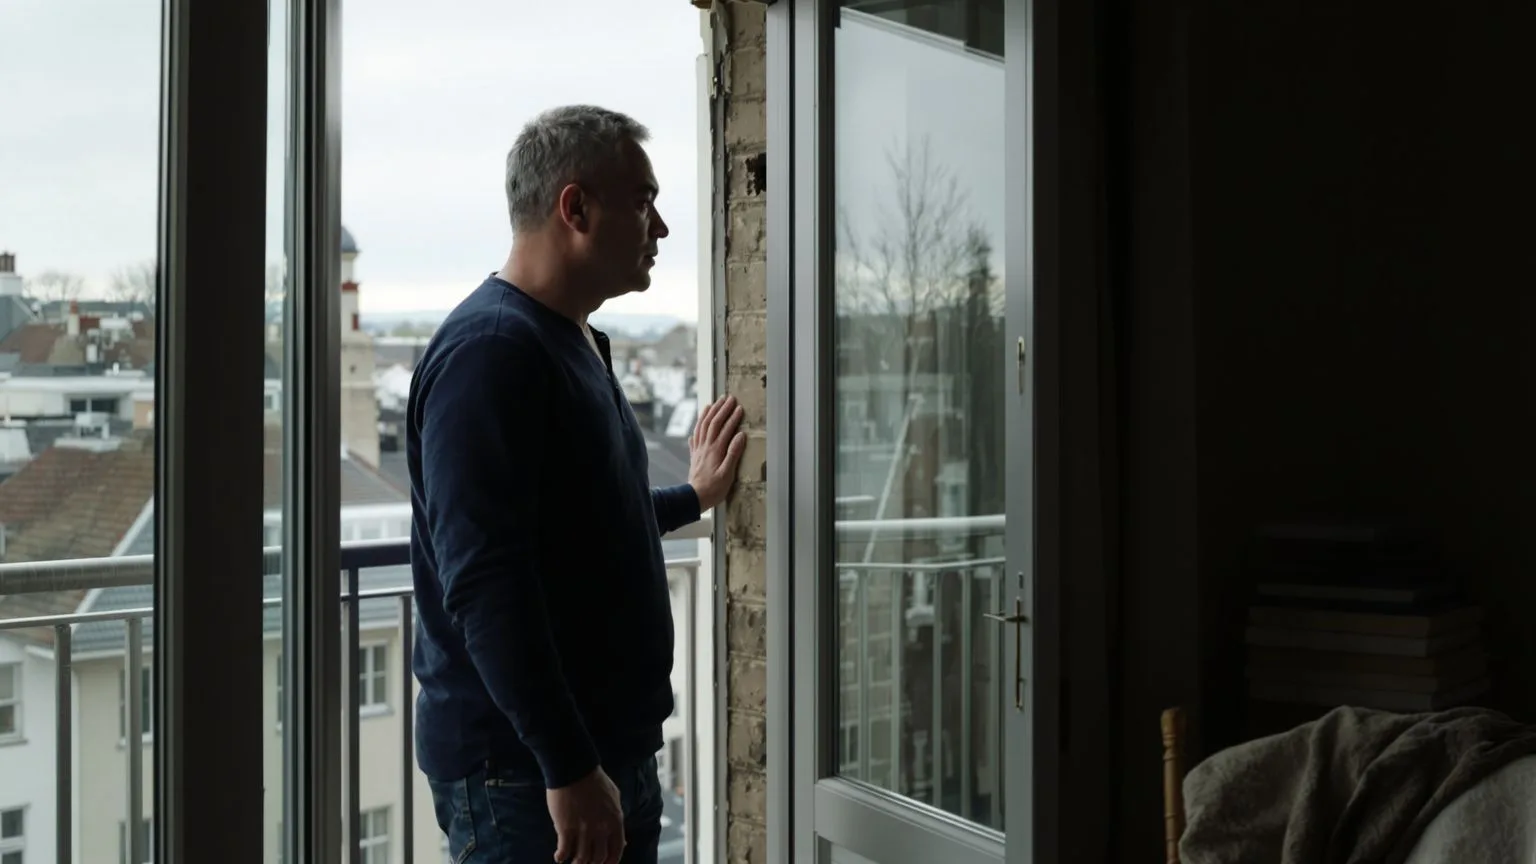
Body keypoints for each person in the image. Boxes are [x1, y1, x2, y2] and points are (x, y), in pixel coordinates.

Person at [408, 105, 746, 864]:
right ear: (576, 208)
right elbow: (487, 581)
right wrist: (566, 764)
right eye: (642, 201)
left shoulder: (575, 338)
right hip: (525, 776)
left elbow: (586, 522)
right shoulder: (490, 354)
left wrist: (693, 496)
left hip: (596, 756)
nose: (659, 229)